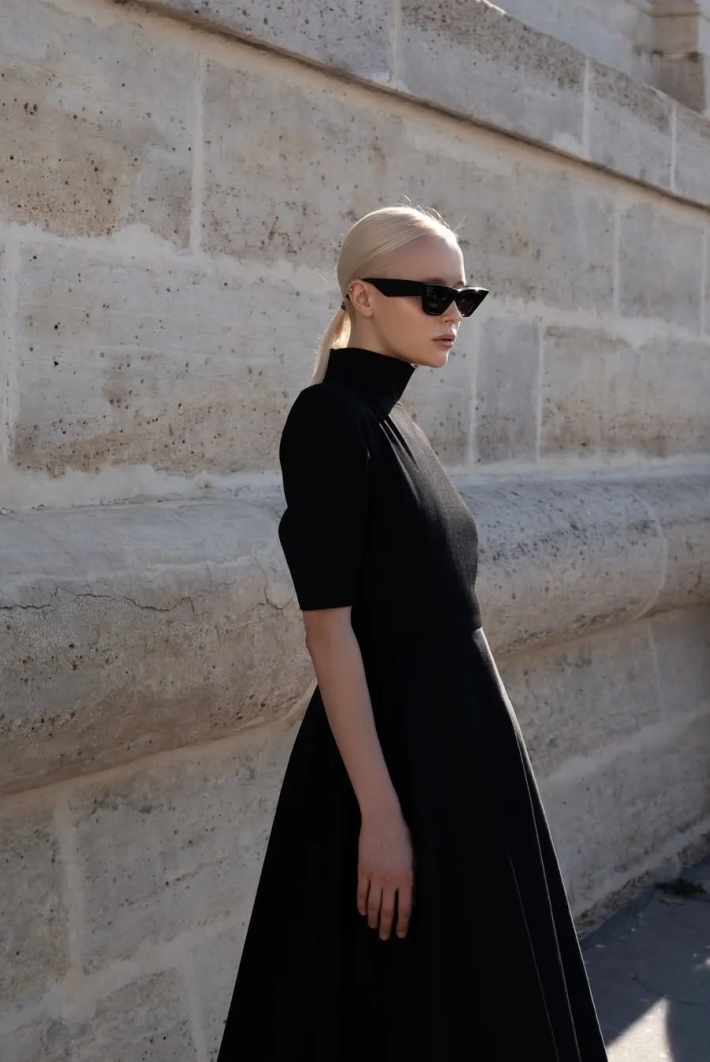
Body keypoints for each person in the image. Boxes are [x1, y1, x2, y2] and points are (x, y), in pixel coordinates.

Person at [216, 204, 609, 1060]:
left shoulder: (399, 420)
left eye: (465, 295)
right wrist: (382, 817)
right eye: (432, 295)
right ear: (362, 295)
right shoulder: (331, 420)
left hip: (464, 764)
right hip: (399, 767)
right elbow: (330, 635)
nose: (453, 315)